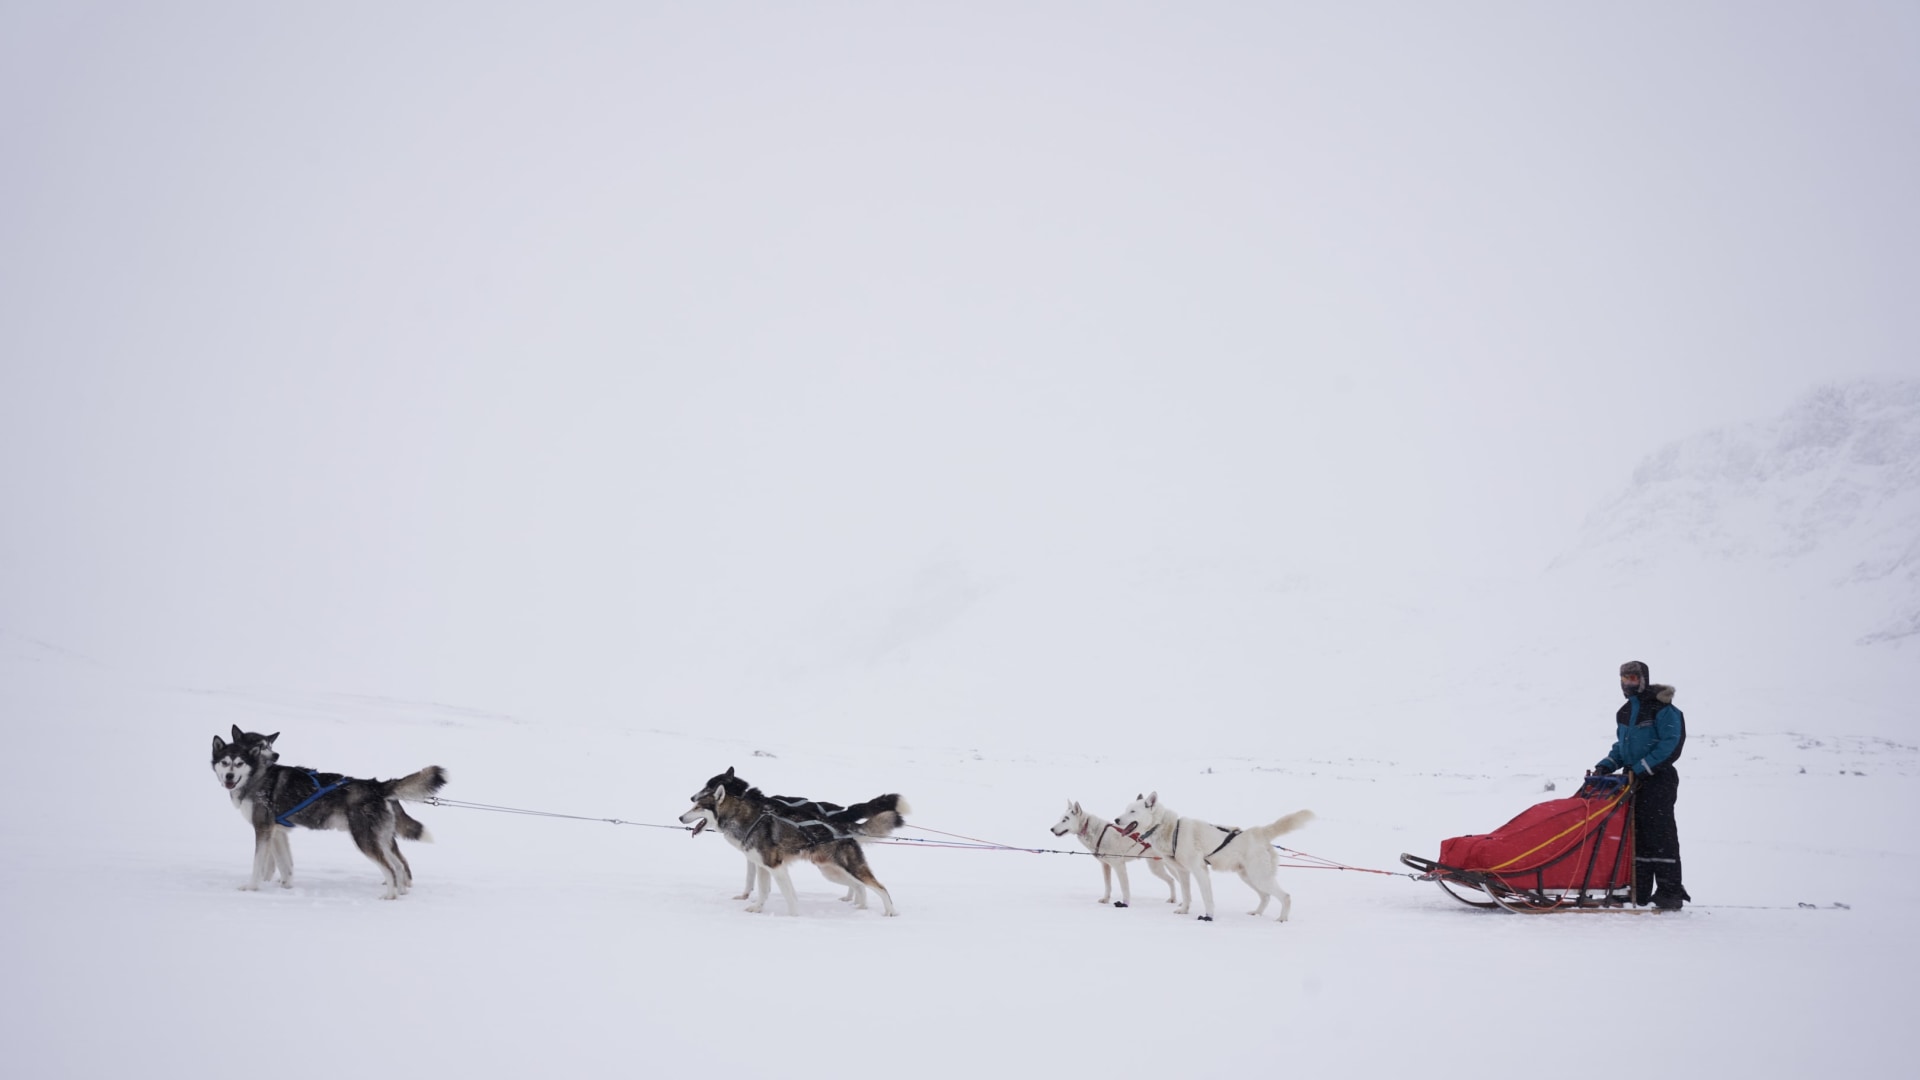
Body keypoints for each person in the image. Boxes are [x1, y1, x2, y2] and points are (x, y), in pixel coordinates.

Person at [1593, 660, 1691, 910]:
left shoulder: (1663, 708)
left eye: (1633, 678)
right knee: (1635, 836)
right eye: (1625, 678)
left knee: (1661, 834)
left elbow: (1670, 744)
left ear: (1644, 679)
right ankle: (1639, 890)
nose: (1628, 683)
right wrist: (1607, 764)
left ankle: (1670, 891)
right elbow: (1623, 748)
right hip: (1632, 782)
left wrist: (1641, 768)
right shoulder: (1625, 712)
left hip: (1658, 779)